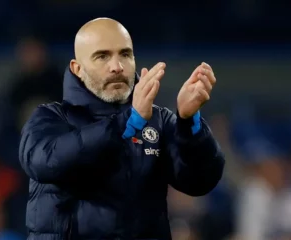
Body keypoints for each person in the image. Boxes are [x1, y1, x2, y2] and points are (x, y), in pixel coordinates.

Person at [19, 17, 225, 240]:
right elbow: (44, 162)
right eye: (102, 56)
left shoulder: (159, 121)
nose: (117, 66)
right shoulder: (51, 117)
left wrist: (188, 122)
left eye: (125, 54)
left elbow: (198, 182)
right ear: (77, 68)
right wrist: (127, 123)